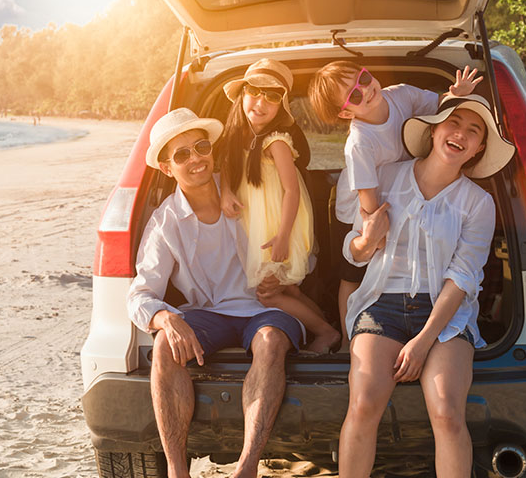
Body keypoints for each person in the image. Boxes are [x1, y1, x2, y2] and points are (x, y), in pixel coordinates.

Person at [337, 94, 515, 478]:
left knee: (448, 412)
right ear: (434, 130)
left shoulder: (478, 203)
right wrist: (366, 242)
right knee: (364, 402)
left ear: (479, 149)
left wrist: (423, 341)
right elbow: (354, 250)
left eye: (474, 131)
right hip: (381, 304)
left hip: (444, 316)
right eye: (454, 123)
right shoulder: (386, 178)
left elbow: (463, 278)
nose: (461, 134)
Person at [126, 107, 303, 478]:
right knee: (164, 344)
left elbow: (300, 240)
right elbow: (139, 294)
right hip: (210, 314)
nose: (195, 159)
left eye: (201, 146)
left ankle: (247, 468)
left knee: (270, 341)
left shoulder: (246, 188)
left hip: (267, 306)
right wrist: (166, 317)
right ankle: (177, 471)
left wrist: (286, 277)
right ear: (166, 168)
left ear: (212, 150)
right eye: (181, 154)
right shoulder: (165, 222)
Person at [307, 61, 483, 343]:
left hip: (404, 191)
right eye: (353, 96)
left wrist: (456, 94)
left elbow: (440, 108)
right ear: (345, 112)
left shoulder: (400, 94)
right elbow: (368, 199)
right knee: (352, 273)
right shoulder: (359, 142)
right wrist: (373, 234)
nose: (365, 91)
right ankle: (347, 338)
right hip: (359, 203)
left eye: (363, 78)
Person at [217, 58, 340, 354]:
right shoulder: (237, 138)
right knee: (288, 290)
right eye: (255, 92)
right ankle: (328, 325)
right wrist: (224, 193)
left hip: (279, 228)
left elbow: (292, 190)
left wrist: (284, 237)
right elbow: (226, 169)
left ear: (281, 106)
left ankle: (327, 332)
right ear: (243, 94)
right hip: (258, 227)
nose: (261, 102)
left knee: (267, 295)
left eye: (272, 97)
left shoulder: (276, 140)